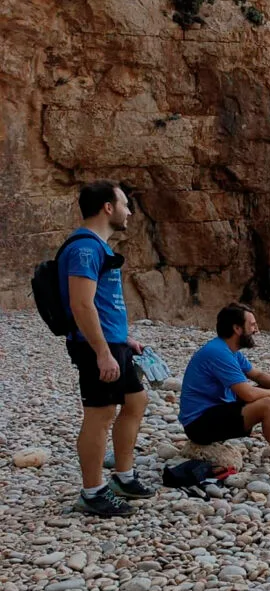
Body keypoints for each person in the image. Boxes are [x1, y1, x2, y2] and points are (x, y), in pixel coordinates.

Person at [59, 180, 155, 517]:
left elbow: (101, 303)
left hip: (113, 342)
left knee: (136, 399)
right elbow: (81, 305)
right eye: (125, 204)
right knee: (100, 415)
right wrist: (102, 352)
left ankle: (123, 477)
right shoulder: (85, 249)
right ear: (108, 208)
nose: (129, 211)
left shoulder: (98, 247)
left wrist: (122, 339)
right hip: (94, 346)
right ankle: (93, 492)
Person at [179, 303, 270, 490]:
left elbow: (257, 375)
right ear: (237, 328)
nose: (256, 329)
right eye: (252, 325)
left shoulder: (229, 350)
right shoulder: (217, 352)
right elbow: (248, 394)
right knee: (268, 404)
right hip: (199, 424)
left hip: (214, 411)